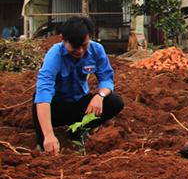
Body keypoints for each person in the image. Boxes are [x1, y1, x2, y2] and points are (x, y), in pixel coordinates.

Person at [32, 16, 124, 155]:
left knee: (114, 101)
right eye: (75, 46)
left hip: (80, 103)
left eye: (84, 45)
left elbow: (107, 79)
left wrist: (100, 95)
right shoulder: (54, 55)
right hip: (58, 107)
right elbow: (44, 92)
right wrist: (49, 135)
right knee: (37, 101)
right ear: (63, 39)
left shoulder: (96, 50)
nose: (80, 51)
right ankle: (43, 140)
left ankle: (79, 130)